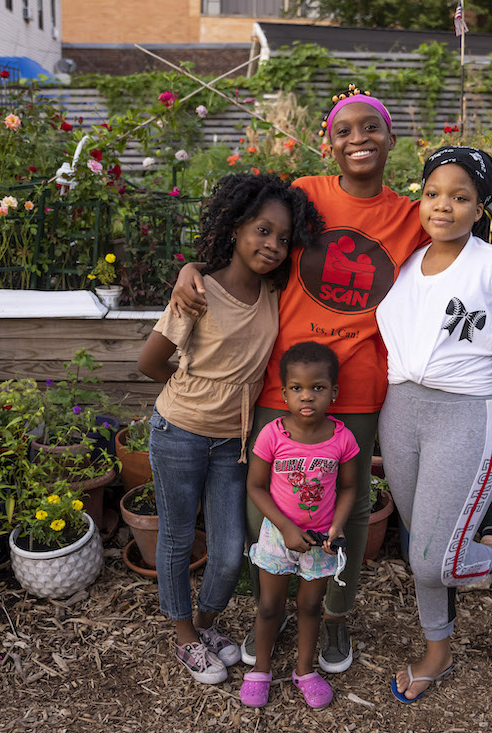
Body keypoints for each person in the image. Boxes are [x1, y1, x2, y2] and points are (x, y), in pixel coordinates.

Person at [172, 86, 492, 674]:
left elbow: (465, 243)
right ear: (329, 143)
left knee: (342, 509)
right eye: (344, 130)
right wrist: (192, 268)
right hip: (284, 385)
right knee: (264, 513)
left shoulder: (409, 213)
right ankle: (268, 613)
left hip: (362, 391)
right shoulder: (304, 198)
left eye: (371, 127)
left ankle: (336, 620)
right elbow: (247, 243)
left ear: (391, 138)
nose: (358, 139)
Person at [376, 146, 492, 702]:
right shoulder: (403, 265)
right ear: (419, 200)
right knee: (419, 548)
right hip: (400, 412)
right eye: (432, 194)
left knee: (435, 559)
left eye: (460, 197)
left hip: (468, 414)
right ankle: (439, 650)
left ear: (480, 209)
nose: (443, 206)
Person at [137, 173, 323, 684]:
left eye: (284, 239)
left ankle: (204, 625)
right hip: (179, 431)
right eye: (263, 231)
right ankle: (183, 638)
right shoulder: (198, 292)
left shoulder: (272, 292)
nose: (273, 245)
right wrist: (189, 270)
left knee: (226, 551)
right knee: (177, 537)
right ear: (237, 226)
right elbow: (150, 362)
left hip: (232, 443)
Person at [240, 342, 359, 709]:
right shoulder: (272, 435)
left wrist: (338, 525)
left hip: (322, 538)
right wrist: (287, 528)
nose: (307, 396)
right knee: (269, 606)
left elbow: (350, 487)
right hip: (279, 534)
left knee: (310, 607)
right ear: (284, 392)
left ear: (333, 393)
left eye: (317, 388)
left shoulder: (343, 438)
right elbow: (255, 486)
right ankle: (260, 669)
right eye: (297, 388)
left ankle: (305, 671)